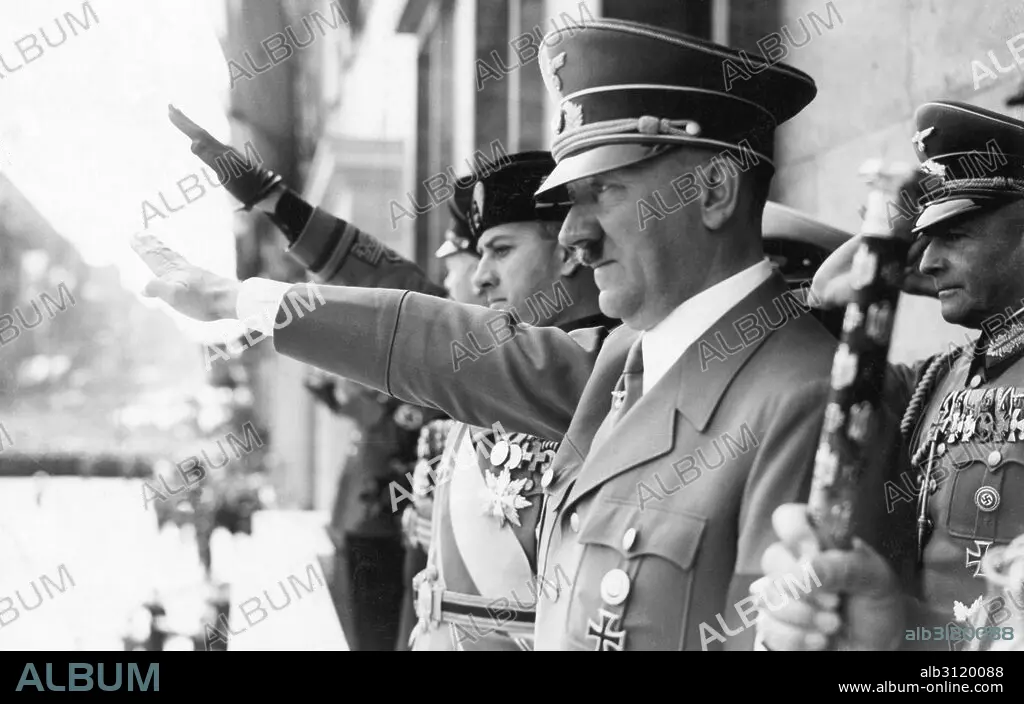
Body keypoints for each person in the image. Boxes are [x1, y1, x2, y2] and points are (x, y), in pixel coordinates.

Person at [135, 19, 838, 651]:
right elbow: (425, 329)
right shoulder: (629, 358)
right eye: (571, 203)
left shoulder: (798, 397)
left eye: (604, 191)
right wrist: (243, 288)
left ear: (713, 190)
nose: (575, 233)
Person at [753, 101, 1024, 652]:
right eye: (925, 239)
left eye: (956, 235)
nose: (925, 263)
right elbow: (828, 293)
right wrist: (891, 230)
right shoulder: (942, 377)